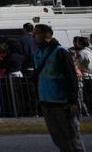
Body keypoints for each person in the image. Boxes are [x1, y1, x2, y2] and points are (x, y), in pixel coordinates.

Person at [33, 23, 85, 151]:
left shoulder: (60, 52)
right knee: (58, 138)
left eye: (37, 33)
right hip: (46, 101)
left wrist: (72, 101)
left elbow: (71, 77)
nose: (34, 36)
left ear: (47, 35)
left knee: (72, 137)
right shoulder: (38, 53)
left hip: (62, 102)